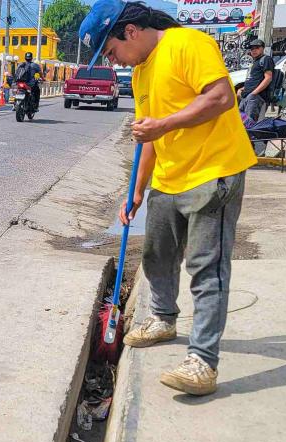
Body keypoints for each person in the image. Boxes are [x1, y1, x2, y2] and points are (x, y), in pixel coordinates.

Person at [80, 0, 256, 396]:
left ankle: (203, 362)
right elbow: (149, 136)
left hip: (213, 171)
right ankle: (163, 318)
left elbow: (221, 97)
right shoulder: (141, 71)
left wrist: (164, 124)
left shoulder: (187, 44)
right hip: (169, 177)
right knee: (157, 255)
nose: (113, 61)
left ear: (130, 31)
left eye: (111, 51)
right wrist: (137, 190)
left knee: (206, 268)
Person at [237, 39, 274, 123]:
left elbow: (268, 78)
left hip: (255, 97)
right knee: (240, 122)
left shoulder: (266, 59)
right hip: (246, 96)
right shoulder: (254, 62)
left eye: (257, 47)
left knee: (248, 123)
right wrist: (241, 89)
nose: (254, 50)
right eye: (252, 48)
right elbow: (252, 79)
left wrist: (254, 93)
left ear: (263, 48)